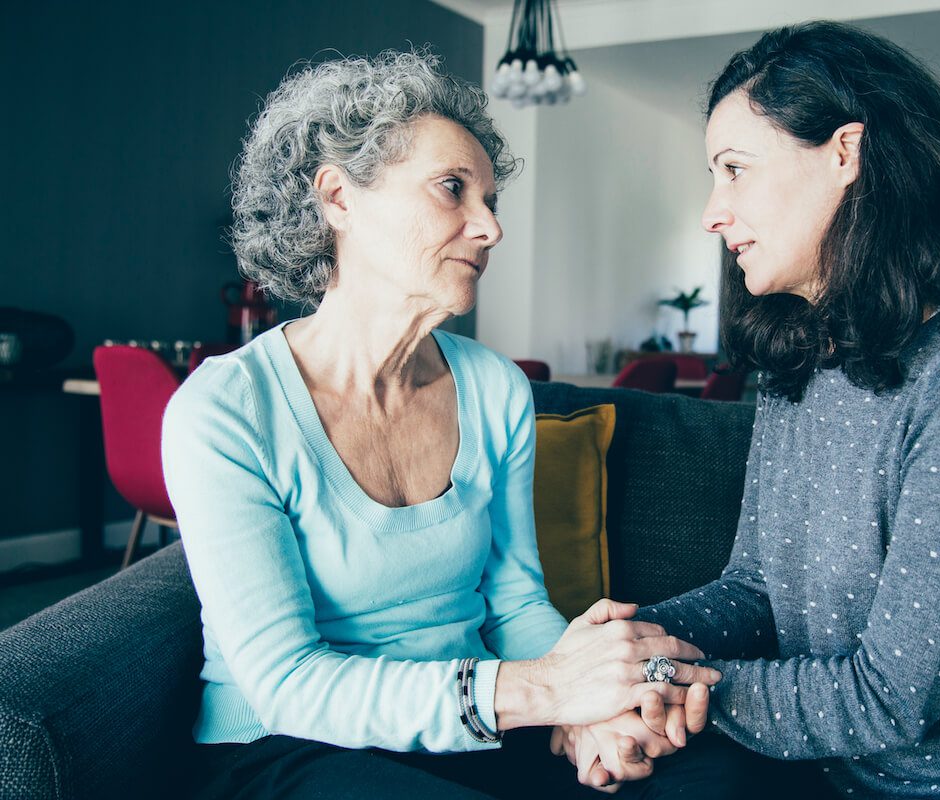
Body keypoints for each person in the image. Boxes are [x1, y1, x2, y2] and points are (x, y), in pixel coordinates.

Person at [557, 21, 940, 799]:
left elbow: (889, 696)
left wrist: (659, 684)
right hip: (844, 776)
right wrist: (620, 660)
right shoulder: (800, 366)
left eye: (735, 169)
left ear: (845, 153)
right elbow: (755, 590)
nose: (713, 210)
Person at [162, 50, 720, 800]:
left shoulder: (493, 388)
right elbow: (286, 682)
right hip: (289, 745)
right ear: (337, 198)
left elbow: (516, 603)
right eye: (453, 189)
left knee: (711, 774)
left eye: (490, 201)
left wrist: (595, 711)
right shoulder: (227, 410)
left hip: (475, 725)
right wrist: (545, 694)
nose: (488, 228)